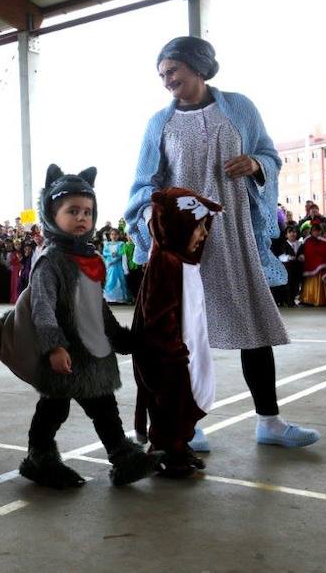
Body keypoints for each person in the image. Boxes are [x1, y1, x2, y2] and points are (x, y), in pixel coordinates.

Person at [125, 36, 320, 449]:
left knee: (256, 325)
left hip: (234, 235)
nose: (167, 81)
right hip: (184, 245)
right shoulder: (159, 123)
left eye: (172, 70)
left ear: (197, 66)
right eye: (161, 75)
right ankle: (187, 425)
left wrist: (255, 163)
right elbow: (144, 184)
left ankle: (269, 422)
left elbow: (269, 154)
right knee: (186, 335)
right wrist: (151, 216)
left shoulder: (240, 108)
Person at [7, 165, 151, 489]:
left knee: (105, 409)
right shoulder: (50, 262)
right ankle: (39, 456)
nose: (82, 218)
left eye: (87, 211)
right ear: (50, 213)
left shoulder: (91, 258)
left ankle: (121, 456)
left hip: (94, 352)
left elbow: (96, 306)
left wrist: (118, 338)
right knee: (53, 409)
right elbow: (42, 309)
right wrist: (54, 346)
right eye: (72, 211)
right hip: (66, 354)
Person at [133, 188, 221, 477]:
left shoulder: (184, 263)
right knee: (170, 408)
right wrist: (174, 352)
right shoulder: (165, 262)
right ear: (179, 227)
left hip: (183, 350)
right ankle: (170, 455)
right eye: (198, 227)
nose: (203, 235)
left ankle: (176, 448)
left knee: (181, 407)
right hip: (169, 356)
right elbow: (157, 314)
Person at [102, 228, 130, 304]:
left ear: (118, 235)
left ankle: (120, 298)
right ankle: (109, 298)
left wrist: (114, 260)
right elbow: (104, 253)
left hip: (117, 265)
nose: (114, 236)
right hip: (109, 265)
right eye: (112, 234)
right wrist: (110, 255)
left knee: (120, 279)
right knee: (109, 280)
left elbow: (121, 254)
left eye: (115, 234)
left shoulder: (121, 244)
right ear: (110, 235)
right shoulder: (107, 244)